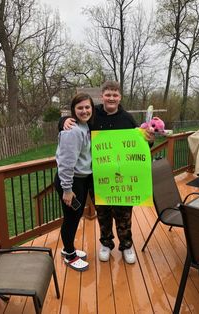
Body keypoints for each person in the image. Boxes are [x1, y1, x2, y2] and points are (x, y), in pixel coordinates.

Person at [58, 81, 154, 264]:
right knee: (103, 213)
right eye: (108, 94)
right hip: (98, 177)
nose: (111, 98)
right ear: (102, 96)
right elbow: (75, 122)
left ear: (120, 97)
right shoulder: (94, 115)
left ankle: (126, 245)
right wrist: (63, 120)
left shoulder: (127, 119)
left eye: (115, 95)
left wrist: (149, 139)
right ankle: (106, 243)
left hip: (123, 176)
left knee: (124, 213)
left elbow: (141, 144)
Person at [55, 92, 95, 271]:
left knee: (75, 216)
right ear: (73, 110)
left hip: (81, 180)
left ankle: (67, 249)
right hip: (71, 183)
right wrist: (67, 189)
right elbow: (65, 163)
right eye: (80, 108)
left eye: (87, 107)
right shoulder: (72, 131)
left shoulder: (85, 126)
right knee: (71, 218)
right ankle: (69, 255)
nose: (84, 110)